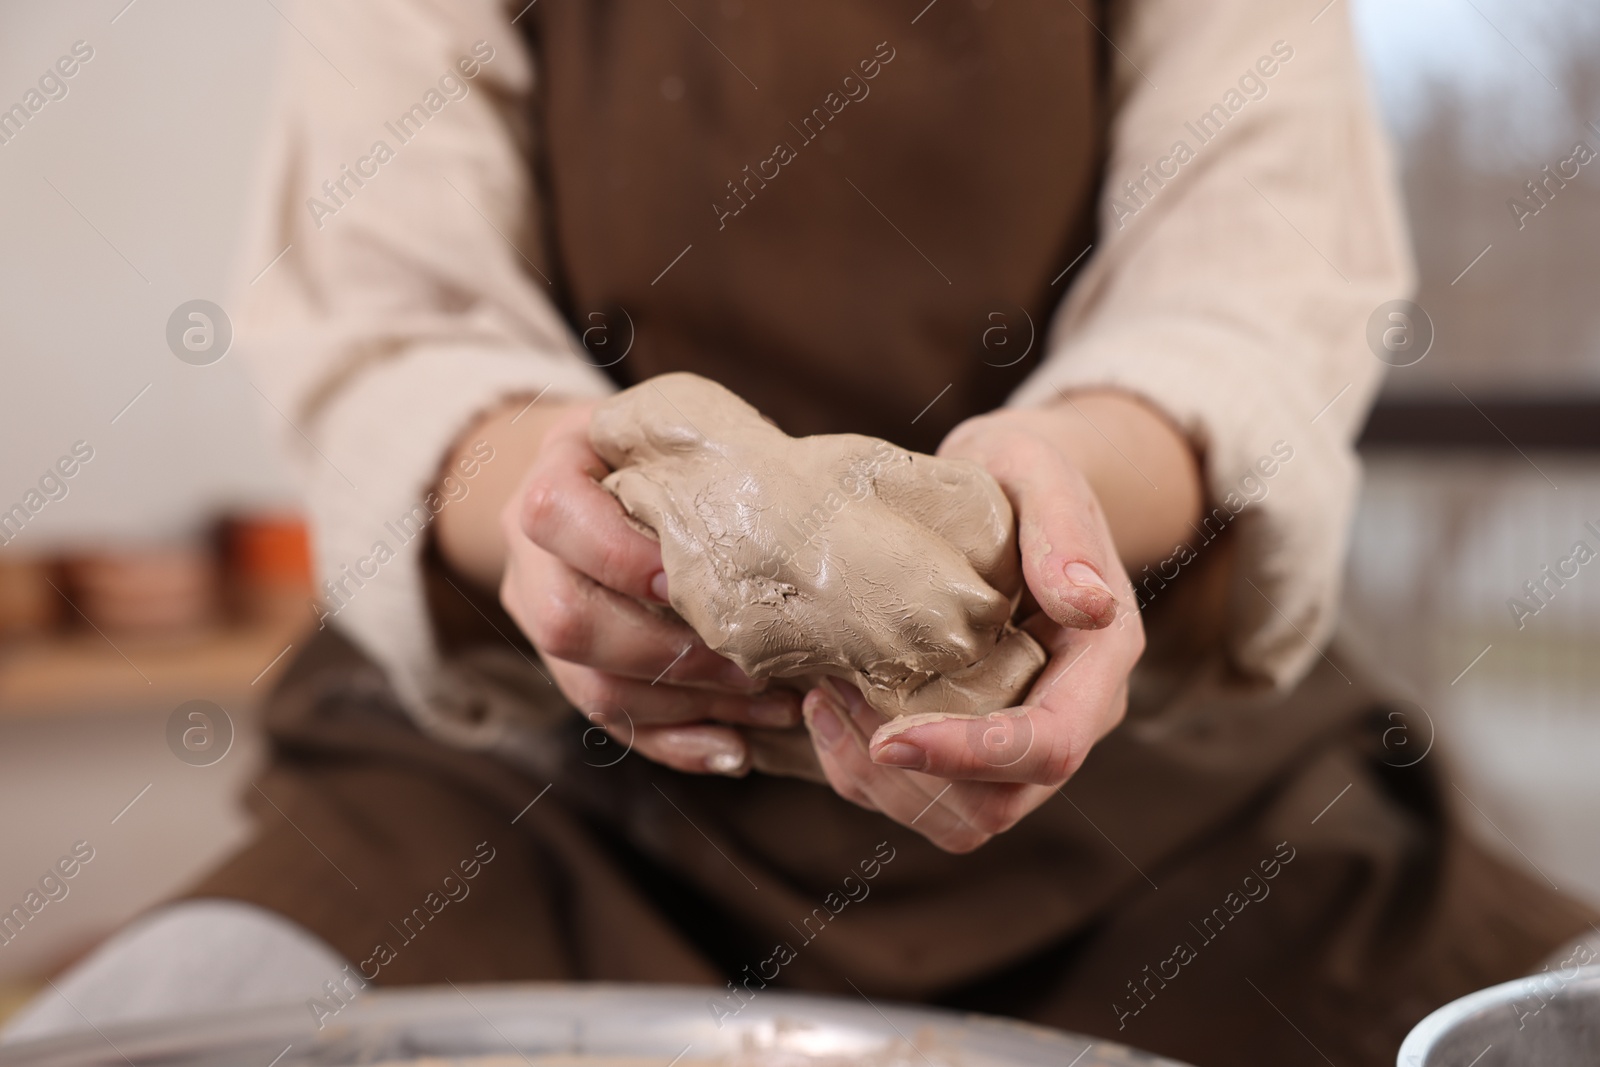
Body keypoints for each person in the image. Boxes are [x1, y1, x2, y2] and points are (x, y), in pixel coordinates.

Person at [7, 1, 1596, 1064]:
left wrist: (1056, 489)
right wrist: (555, 506)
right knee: (177, 1018)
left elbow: (1249, 298)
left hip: (1155, 801)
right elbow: (388, 313)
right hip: (525, 793)